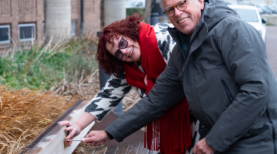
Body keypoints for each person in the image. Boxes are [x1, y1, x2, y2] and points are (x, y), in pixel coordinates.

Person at [81, 0, 277, 154]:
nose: (177, 13)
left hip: (262, 139)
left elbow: (256, 91)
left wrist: (213, 141)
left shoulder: (232, 31)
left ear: (200, 1)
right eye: (169, 9)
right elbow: (156, 100)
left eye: (182, 3)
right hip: (228, 139)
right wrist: (109, 133)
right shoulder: (182, 51)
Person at [59, 14, 205, 154]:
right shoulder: (127, 66)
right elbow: (108, 94)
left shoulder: (164, 38)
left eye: (122, 42)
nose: (124, 51)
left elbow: (186, 82)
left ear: (130, 33)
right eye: (118, 53)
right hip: (171, 123)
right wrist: (78, 125)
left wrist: (155, 87)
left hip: (201, 114)